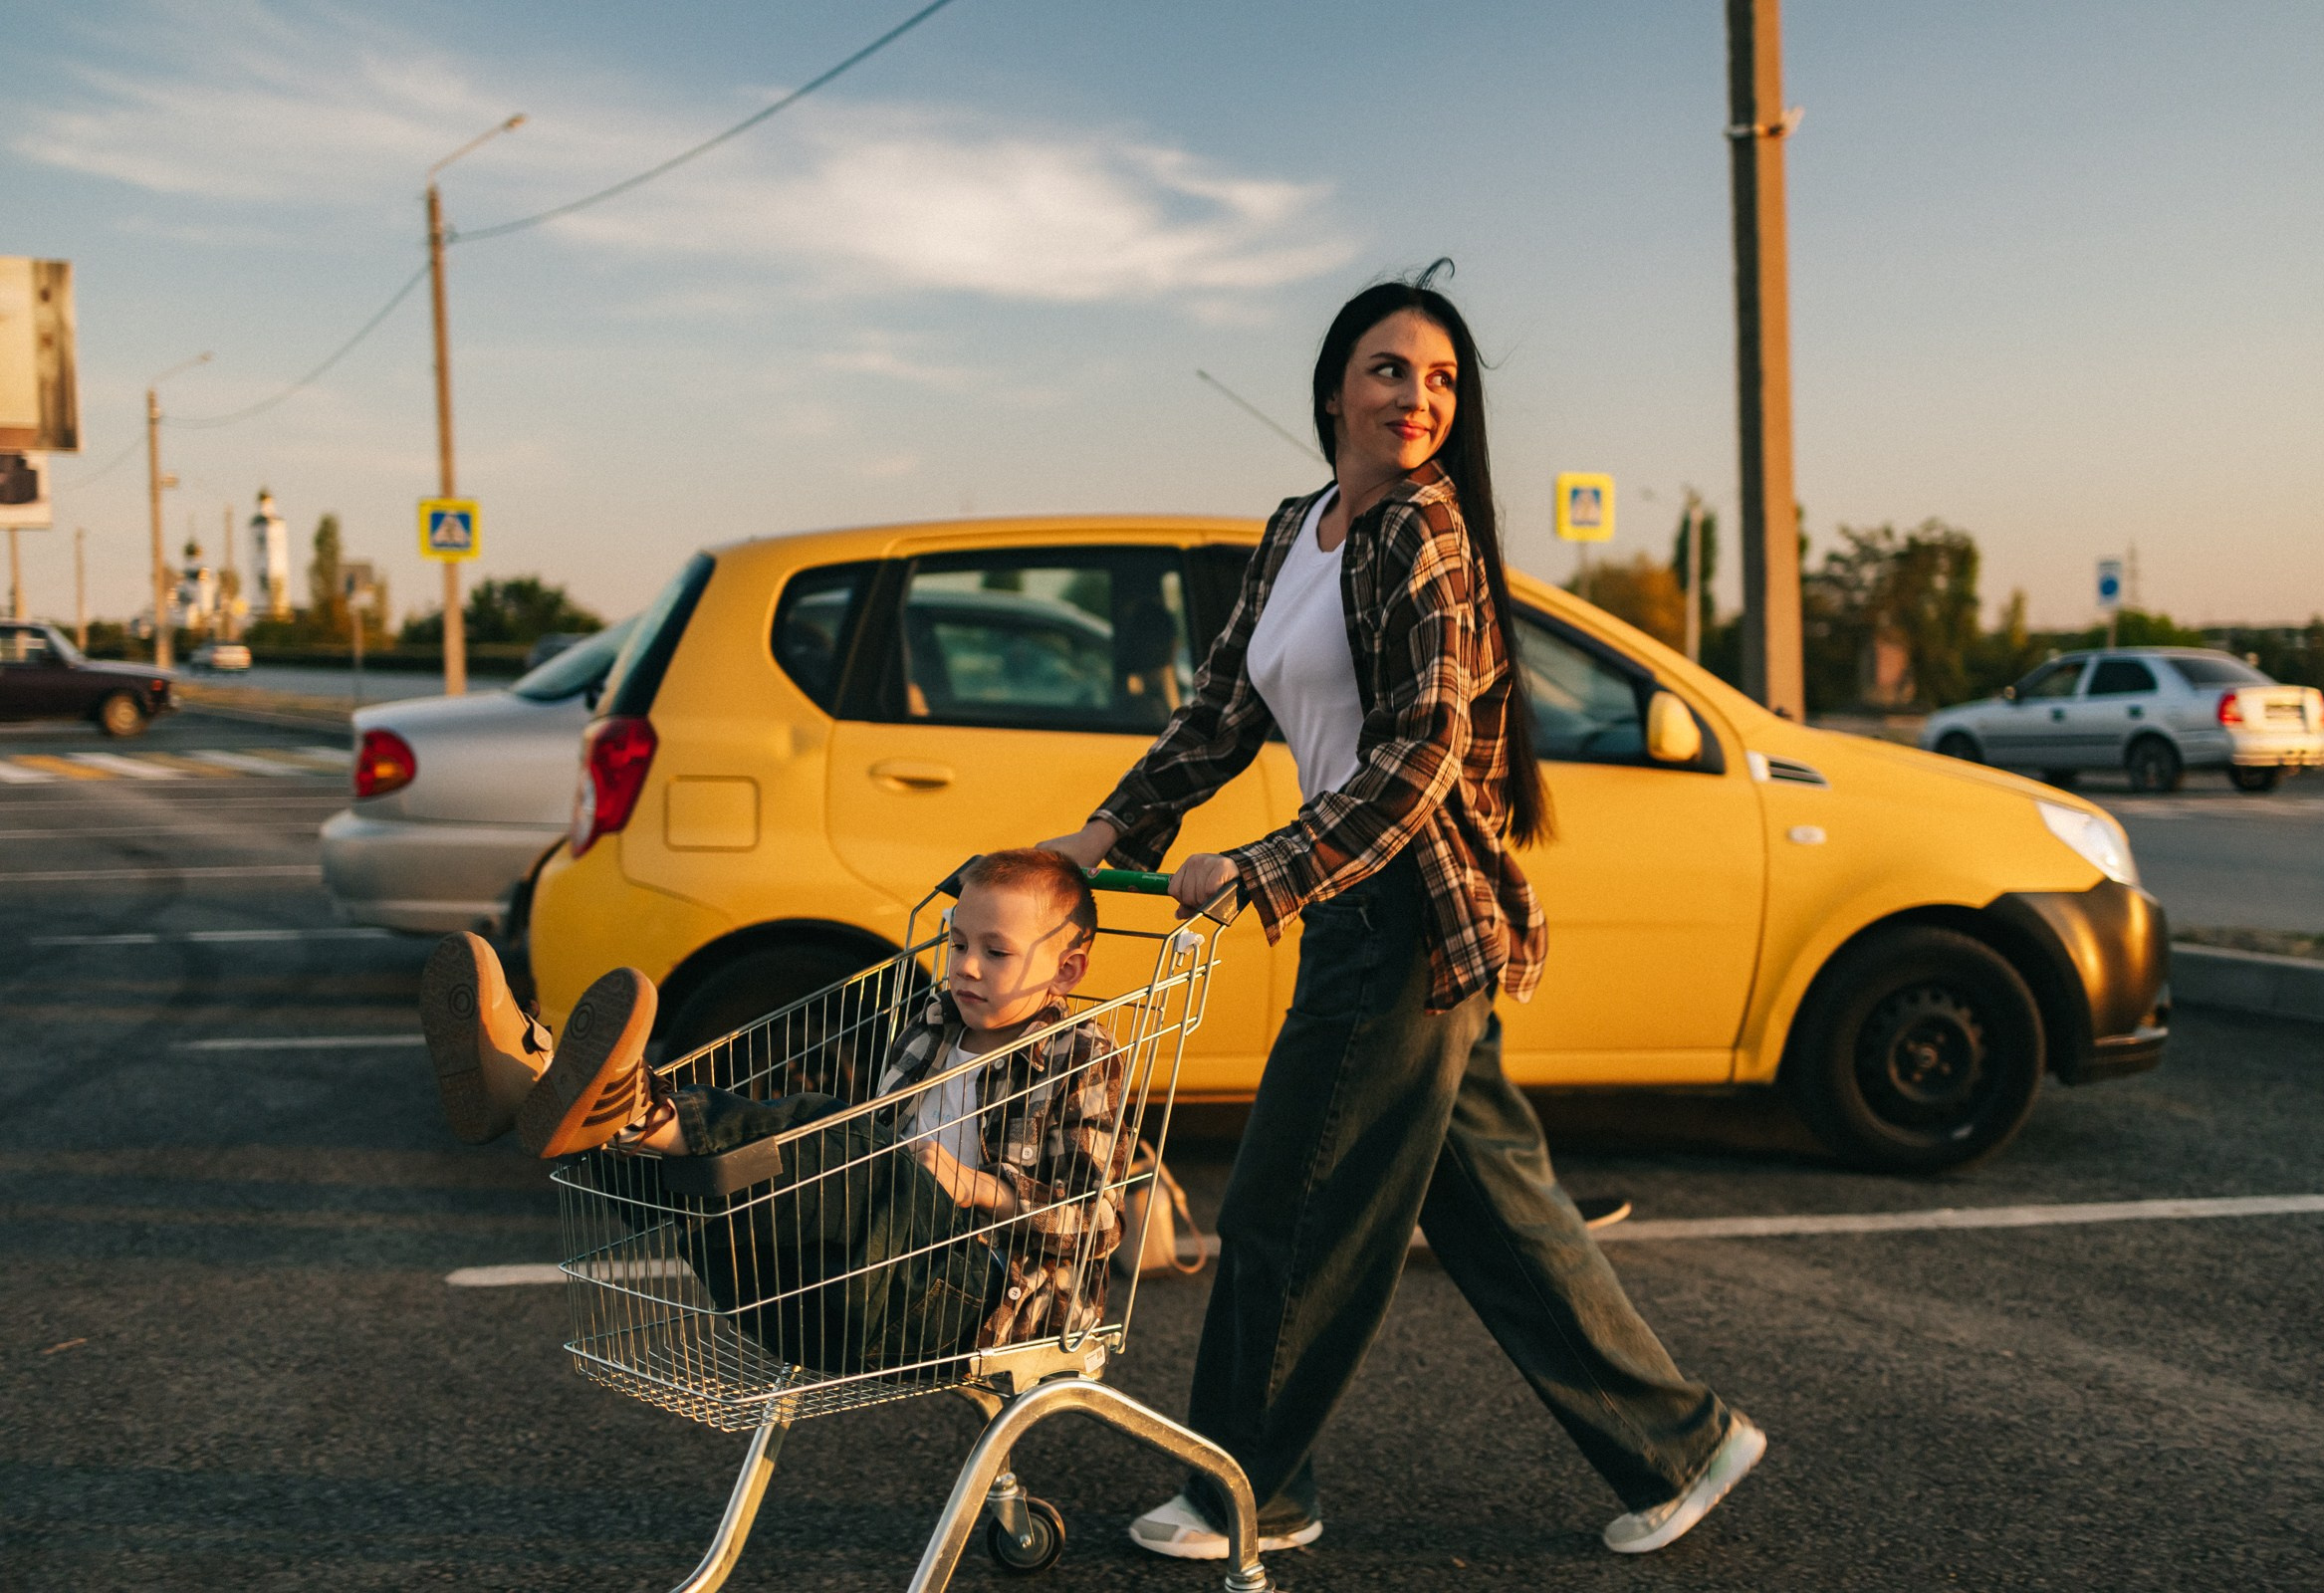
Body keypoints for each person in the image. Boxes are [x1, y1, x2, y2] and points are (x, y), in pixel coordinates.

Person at [1039, 267, 1764, 1561]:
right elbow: (1222, 709)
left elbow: (1421, 757)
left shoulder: (1423, 534)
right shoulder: (1297, 529)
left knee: (1286, 1211)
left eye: (1440, 380)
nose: (1416, 398)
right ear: (1332, 389)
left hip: (1403, 923)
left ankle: (1245, 1495)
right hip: (1380, 913)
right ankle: (1682, 1443)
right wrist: (1108, 832)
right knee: (1497, 1215)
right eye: (1389, 370)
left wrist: (1260, 866)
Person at [418, 848, 1131, 1362]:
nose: (966, 966)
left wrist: (972, 1187)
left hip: (977, 1300)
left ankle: (625, 1111)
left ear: (1067, 969)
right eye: (957, 942)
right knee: (739, 1179)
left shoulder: (1081, 1060)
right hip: (832, 1289)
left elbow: (1099, 1223)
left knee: (831, 1134)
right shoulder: (932, 1023)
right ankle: (558, 1102)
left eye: (996, 952)